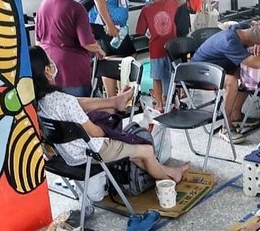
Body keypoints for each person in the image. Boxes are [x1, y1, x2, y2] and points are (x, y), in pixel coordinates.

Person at [31, 46, 187, 182]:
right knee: (145, 150)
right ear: (47, 70)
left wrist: (110, 107)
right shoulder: (65, 101)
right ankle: (168, 182)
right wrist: (109, 123)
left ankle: (172, 172)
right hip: (91, 152)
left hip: (69, 154)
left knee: (133, 151)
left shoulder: (39, 103)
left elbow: (76, 107)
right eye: (49, 59)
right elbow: (96, 132)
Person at [191, 25, 260, 142]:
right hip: (199, 71)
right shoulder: (229, 42)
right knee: (231, 82)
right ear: (251, 41)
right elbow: (257, 63)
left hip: (219, 66)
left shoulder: (242, 28)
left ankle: (235, 115)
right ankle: (226, 127)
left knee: (247, 75)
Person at [35, 0, 105, 97]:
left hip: (48, 65)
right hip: (71, 68)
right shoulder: (76, 8)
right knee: (79, 108)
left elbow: (38, 39)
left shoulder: (44, 3)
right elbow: (87, 42)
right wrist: (99, 50)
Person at [136, 0, 178, 110]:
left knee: (157, 78)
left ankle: (159, 104)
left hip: (156, 50)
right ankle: (170, 100)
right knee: (171, 75)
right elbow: (182, 1)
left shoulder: (146, 10)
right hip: (173, 49)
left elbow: (140, 31)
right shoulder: (172, 3)